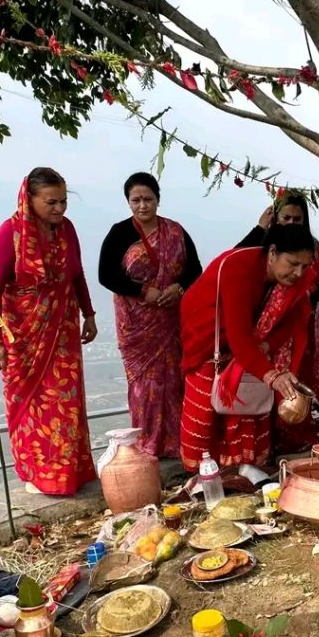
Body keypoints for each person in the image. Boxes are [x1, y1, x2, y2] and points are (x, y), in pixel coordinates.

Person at [0, 167, 98, 495]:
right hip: (23, 335)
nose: (59, 209)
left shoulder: (67, 231)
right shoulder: (10, 234)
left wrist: (88, 314)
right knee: (31, 405)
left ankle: (70, 470)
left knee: (65, 402)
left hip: (63, 330)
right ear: (29, 199)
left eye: (63, 201)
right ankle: (38, 472)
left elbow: (76, 274)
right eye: (51, 202)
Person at [179, 224, 317, 471]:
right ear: (272, 253)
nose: (298, 273)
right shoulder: (239, 269)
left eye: (304, 266)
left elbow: (293, 320)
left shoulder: (299, 277)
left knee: (249, 402)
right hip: (208, 338)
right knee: (207, 410)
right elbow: (239, 338)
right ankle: (203, 474)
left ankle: (246, 469)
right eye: (292, 263)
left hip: (251, 344)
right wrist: (272, 375)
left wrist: (267, 344)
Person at [238, 192, 319, 447]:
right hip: (264, 332)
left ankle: (294, 432)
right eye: (286, 218)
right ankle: (266, 436)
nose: (292, 223)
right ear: (274, 217)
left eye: (297, 219)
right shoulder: (264, 247)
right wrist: (259, 228)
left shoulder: (312, 250)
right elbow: (236, 260)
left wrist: (306, 290)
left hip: (300, 329)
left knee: (293, 380)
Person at [98, 172, 202, 458]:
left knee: (175, 382)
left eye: (148, 199)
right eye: (136, 200)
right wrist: (144, 292)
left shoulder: (176, 231)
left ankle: (181, 443)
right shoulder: (120, 233)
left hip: (172, 321)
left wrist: (179, 288)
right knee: (146, 386)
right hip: (137, 326)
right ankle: (149, 444)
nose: (142, 206)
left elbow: (195, 270)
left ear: (158, 199)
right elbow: (106, 275)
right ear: (128, 202)